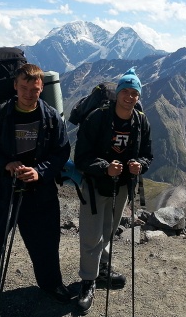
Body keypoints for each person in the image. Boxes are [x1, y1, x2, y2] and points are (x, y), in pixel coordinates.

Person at [0, 63, 72, 305]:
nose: (29, 94)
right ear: (15, 86)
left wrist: (40, 171)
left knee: (46, 242)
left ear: (41, 88)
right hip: (3, 189)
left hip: (39, 192)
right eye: (24, 88)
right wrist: (6, 164)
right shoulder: (0, 114)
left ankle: (51, 284)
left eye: (34, 89)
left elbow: (62, 152)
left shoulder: (50, 118)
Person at [73, 67, 153, 315]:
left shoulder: (140, 121)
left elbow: (147, 154)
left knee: (108, 230)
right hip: (97, 184)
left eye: (135, 93)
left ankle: (102, 269)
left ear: (138, 97)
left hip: (123, 186)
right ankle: (88, 281)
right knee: (90, 234)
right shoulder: (97, 118)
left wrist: (141, 165)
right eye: (126, 91)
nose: (130, 97)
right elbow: (81, 158)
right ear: (118, 93)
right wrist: (105, 168)